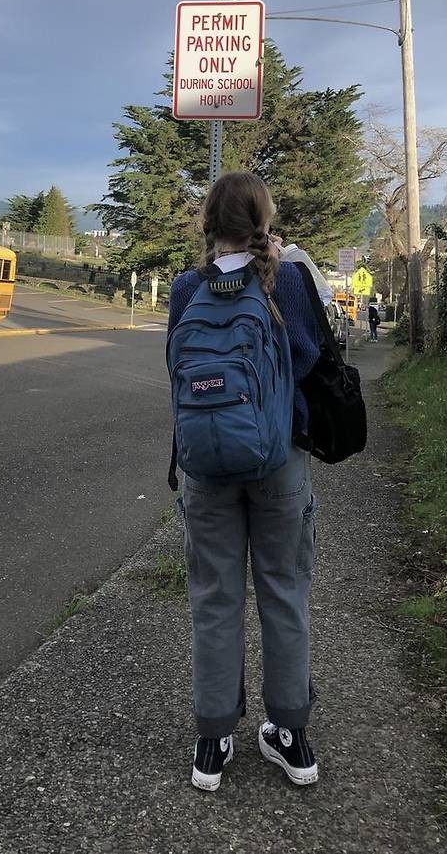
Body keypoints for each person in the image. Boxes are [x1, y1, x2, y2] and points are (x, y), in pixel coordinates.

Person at [167, 171, 323, 791]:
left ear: (209, 224)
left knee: (215, 597)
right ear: (263, 220)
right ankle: (290, 736)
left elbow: (177, 368)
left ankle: (213, 741)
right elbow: (310, 357)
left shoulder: (185, 287)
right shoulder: (287, 277)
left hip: (205, 463)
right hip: (279, 457)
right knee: (283, 590)